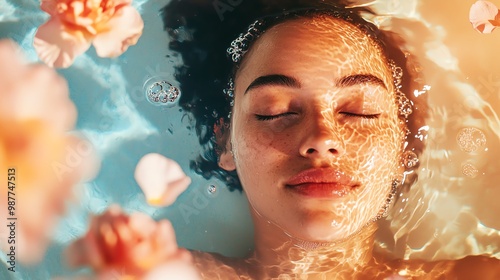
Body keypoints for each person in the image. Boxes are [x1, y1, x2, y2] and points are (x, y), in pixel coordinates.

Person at [161, 0, 500, 278]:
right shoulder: (151, 269)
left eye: (359, 112)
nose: (322, 139)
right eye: (275, 112)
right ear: (225, 143)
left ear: (404, 145)